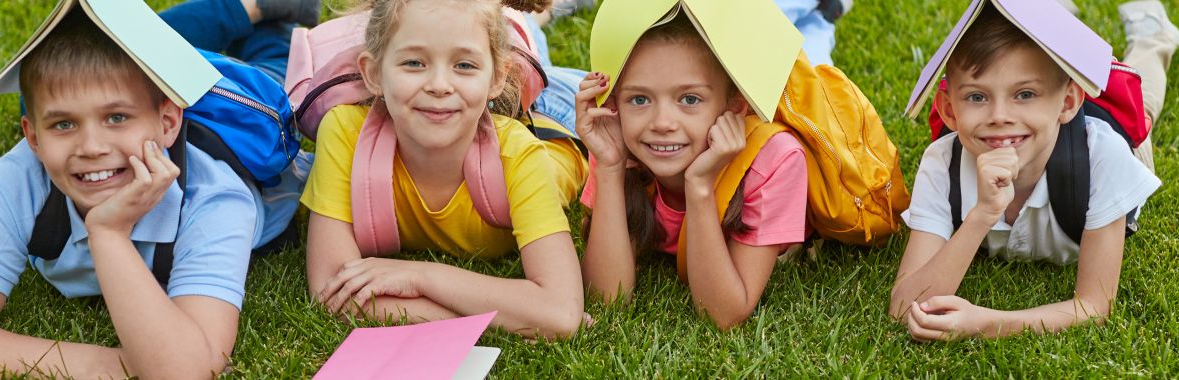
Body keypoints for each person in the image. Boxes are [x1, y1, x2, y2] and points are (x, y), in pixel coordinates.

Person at [0, 1, 309, 377]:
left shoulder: (215, 197)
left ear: (168, 123)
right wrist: (111, 366)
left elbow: (188, 369)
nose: (92, 147)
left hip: (242, 111)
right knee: (72, 73)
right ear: (31, 140)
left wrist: (108, 233)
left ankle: (261, 13)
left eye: (116, 118)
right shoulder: (23, 174)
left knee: (273, 65)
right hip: (142, 103)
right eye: (63, 125)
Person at [887, 1, 1179, 341]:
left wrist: (987, 323)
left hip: (1102, 137)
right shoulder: (943, 163)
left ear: (1068, 102)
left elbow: (1095, 305)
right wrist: (983, 213)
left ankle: (1152, 34)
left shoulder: (1103, 158)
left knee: (1143, 101)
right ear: (949, 111)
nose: (999, 115)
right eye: (977, 97)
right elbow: (904, 308)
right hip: (1047, 125)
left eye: (1024, 94)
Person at [301, 0, 587, 340]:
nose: (439, 84)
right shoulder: (346, 132)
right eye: (414, 63)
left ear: (498, 77)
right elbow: (331, 291)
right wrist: (510, 316)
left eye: (463, 65)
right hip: (482, 98)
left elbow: (560, 312)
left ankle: (540, 16)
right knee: (482, 31)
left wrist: (419, 277)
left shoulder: (520, 155)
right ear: (373, 73)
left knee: (528, 46)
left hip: (559, 112)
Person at [576, 14, 810, 330]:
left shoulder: (775, 161)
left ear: (735, 106)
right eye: (639, 99)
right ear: (615, 104)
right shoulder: (617, 144)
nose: (661, 123)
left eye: (689, 99)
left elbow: (723, 316)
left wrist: (699, 186)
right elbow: (607, 300)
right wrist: (609, 167)